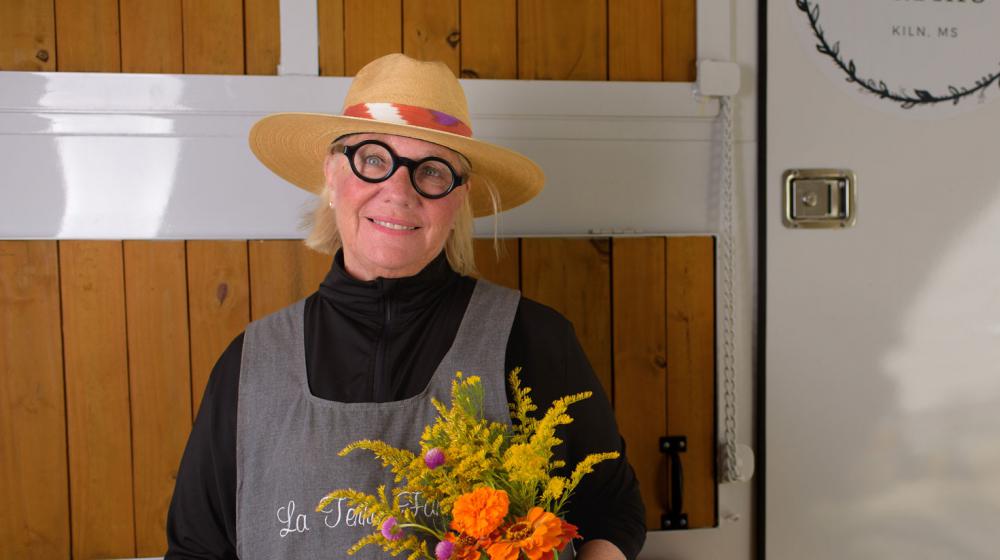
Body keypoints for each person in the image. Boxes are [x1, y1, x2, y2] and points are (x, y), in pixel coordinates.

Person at [166, 53, 645, 560]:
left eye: (432, 171)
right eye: (373, 159)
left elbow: (613, 510)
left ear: (459, 199)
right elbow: (196, 548)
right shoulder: (249, 367)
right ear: (331, 176)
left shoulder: (532, 339)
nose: (398, 191)